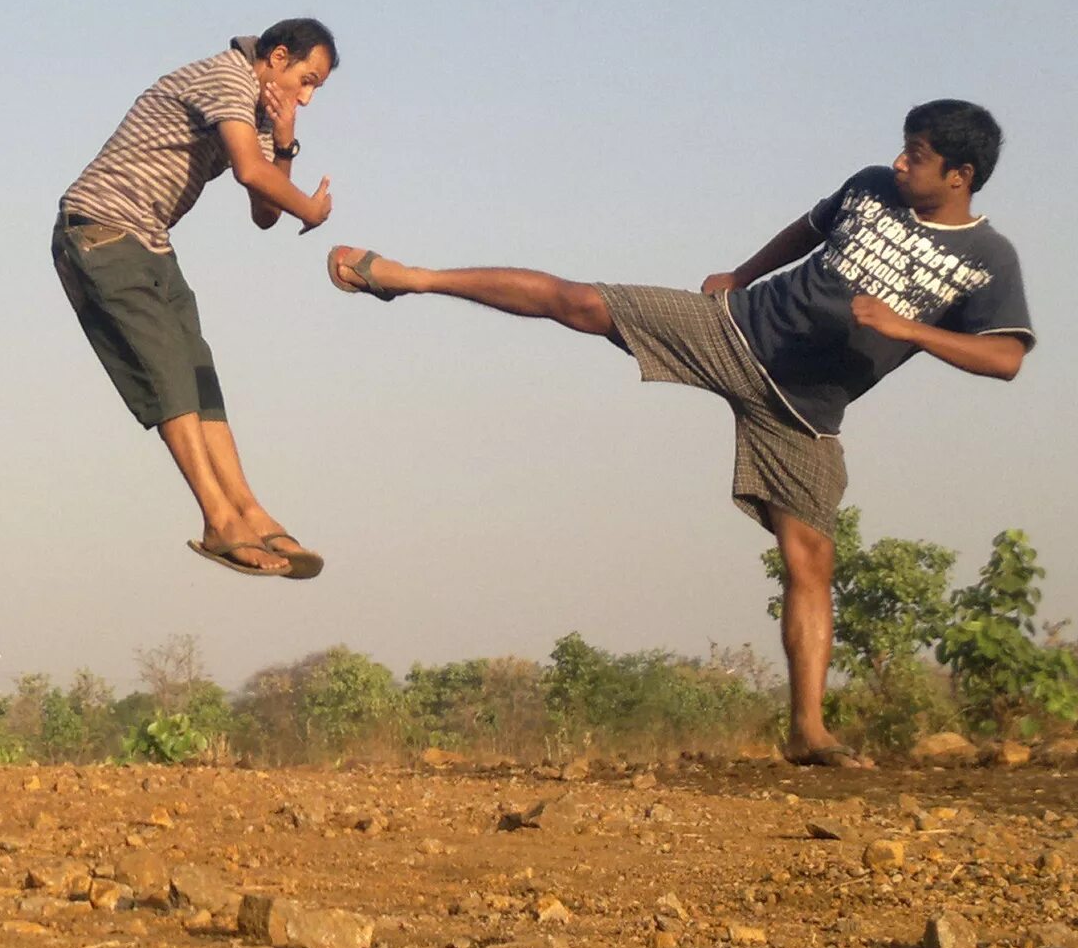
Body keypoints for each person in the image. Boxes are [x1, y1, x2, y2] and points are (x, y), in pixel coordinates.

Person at [324, 101, 1034, 765]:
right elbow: (808, 229)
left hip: (803, 409)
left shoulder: (988, 258)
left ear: (959, 176)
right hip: (735, 329)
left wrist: (907, 328)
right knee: (580, 302)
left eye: (917, 156)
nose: (901, 164)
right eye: (904, 151)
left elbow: (1005, 358)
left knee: (810, 558)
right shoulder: (871, 186)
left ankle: (807, 730)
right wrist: (744, 272)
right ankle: (408, 277)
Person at [54, 21, 339, 578]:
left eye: (314, 91)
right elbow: (250, 174)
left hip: (151, 244)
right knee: (171, 379)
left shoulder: (254, 109)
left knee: (202, 383)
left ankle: (250, 511)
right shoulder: (227, 77)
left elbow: (263, 212)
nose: (304, 97)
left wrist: (285, 141)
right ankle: (217, 520)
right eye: (305, 80)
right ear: (277, 57)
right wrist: (312, 209)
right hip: (103, 229)